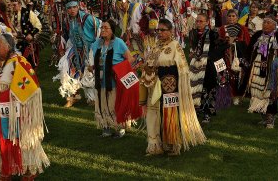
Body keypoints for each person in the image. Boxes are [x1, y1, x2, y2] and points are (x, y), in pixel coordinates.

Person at [0, 33, 50, 180]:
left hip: (16, 114)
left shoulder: (18, 62)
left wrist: (17, 102)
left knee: (20, 141)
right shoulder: (0, 64)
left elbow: (31, 88)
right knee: (2, 141)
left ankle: (29, 170)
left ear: (8, 47)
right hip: (0, 113)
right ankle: (6, 170)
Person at [141, 19, 206, 156]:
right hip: (154, 84)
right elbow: (150, 62)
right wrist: (147, 68)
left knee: (169, 114)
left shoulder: (175, 45)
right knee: (154, 113)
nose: (159, 32)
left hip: (170, 85)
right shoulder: (155, 46)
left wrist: (174, 84)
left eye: (163, 30)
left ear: (170, 31)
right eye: (158, 30)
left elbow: (183, 68)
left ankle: (171, 144)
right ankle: (155, 145)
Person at [90, 19, 139, 138]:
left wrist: (119, 69)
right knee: (102, 103)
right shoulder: (96, 43)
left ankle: (120, 128)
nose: (103, 30)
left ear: (112, 30)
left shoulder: (119, 43)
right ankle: (106, 128)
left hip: (115, 80)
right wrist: (92, 67)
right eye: (102, 28)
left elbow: (130, 59)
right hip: (100, 80)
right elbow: (93, 59)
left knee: (114, 103)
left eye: (106, 28)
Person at [246, 15, 278, 129]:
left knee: (270, 93)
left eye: (268, 23)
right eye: (264, 23)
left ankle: (270, 118)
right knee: (258, 91)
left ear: (274, 25)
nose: (265, 25)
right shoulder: (258, 35)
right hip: (257, 69)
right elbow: (249, 50)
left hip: (272, 71)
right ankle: (263, 115)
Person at [54, 0, 101, 107]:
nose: (72, 10)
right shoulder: (67, 20)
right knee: (66, 68)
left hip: (89, 49)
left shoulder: (87, 18)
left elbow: (99, 28)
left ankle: (92, 98)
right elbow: (68, 35)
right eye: (69, 8)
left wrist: (96, 47)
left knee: (89, 73)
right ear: (66, 10)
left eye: (74, 7)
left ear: (78, 7)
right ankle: (72, 95)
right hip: (75, 48)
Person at [188, 13, 218, 123]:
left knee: (207, 88)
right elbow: (192, 47)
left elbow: (216, 49)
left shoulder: (212, 34)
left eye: (201, 21)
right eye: (197, 21)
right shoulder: (193, 33)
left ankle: (207, 113)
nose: (198, 23)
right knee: (195, 87)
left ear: (207, 22)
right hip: (195, 64)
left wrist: (207, 57)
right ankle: (196, 110)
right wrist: (193, 54)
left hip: (208, 65)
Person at [218, 9, 250, 106]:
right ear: (226, 18)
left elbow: (247, 42)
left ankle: (236, 96)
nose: (231, 18)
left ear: (237, 17)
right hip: (225, 55)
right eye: (229, 16)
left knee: (237, 75)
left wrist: (236, 43)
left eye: (233, 16)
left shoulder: (243, 29)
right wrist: (226, 42)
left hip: (238, 56)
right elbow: (218, 42)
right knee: (224, 74)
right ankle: (225, 95)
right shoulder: (222, 29)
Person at [10, 0, 42, 69]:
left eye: (14, 5)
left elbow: (38, 25)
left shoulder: (28, 12)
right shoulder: (13, 15)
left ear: (20, 4)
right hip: (16, 41)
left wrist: (31, 34)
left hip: (27, 41)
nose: (13, 7)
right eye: (12, 5)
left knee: (27, 61)